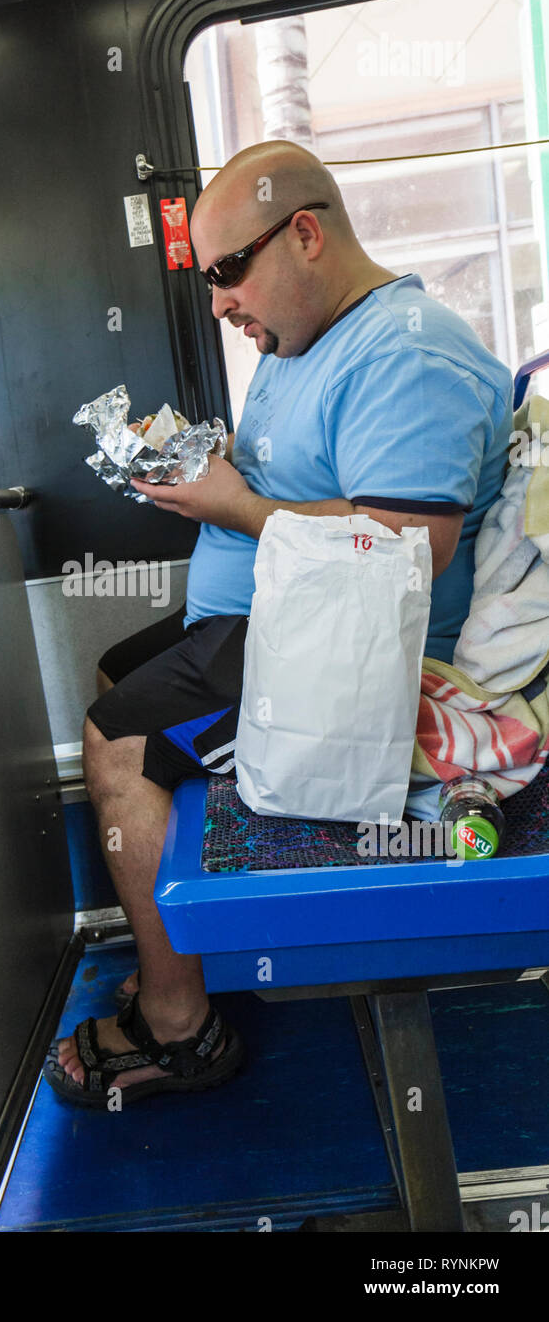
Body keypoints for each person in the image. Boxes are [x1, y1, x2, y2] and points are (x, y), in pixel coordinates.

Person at [44, 140, 513, 1107]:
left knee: (118, 742)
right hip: (275, 615)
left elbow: (403, 552)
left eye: (228, 272)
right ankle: (189, 952)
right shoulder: (305, 340)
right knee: (114, 671)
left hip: (354, 651)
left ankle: (181, 1028)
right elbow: (296, 485)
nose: (218, 302)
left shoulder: (407, 355)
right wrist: (194, 471)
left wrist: (232, 508)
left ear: (305, 234)